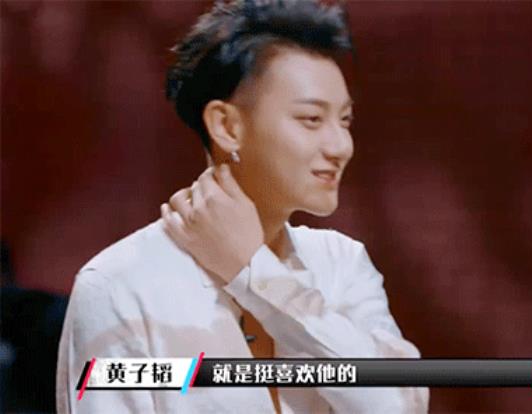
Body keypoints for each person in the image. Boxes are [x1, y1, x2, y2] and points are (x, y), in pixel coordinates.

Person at [56, 0, 429, 412]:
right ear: (227, 126)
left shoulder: (341, 263)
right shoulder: (120, 285)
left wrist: (255, 272)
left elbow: (399, 406)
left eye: (344, 121)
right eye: (311, 119)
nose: (341, 146)